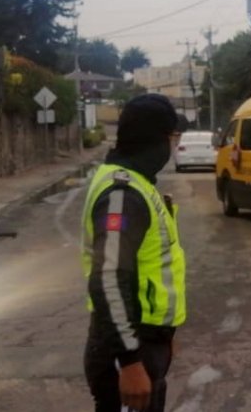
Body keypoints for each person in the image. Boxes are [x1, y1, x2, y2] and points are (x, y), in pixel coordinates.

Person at [81, 94, 188, 412]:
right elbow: (108, 279)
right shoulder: (122, 195)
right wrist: (129, 361)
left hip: (144, 340)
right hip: (128, 350)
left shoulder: (137, 183)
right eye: (172, 137)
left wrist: (165, 334)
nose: (173, 146)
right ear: (155, 139)